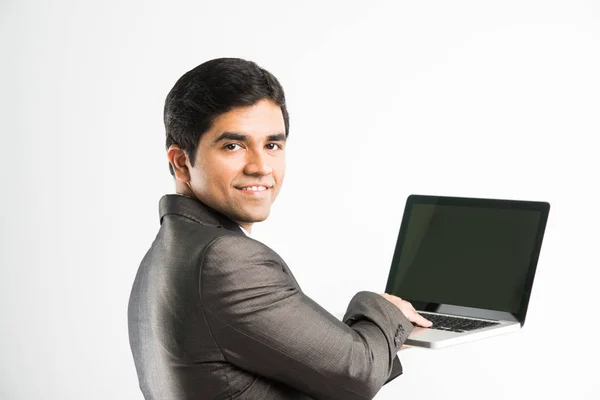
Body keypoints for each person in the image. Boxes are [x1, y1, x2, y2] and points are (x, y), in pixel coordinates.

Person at [127, 58, 432, 400]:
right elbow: (357, 373)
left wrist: (376, 342)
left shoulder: (162, 256)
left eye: (272, 145)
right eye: (233, 146)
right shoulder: (224, 259)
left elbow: (315, 370)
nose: (260, 167)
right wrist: (378, 308)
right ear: (182, 162)